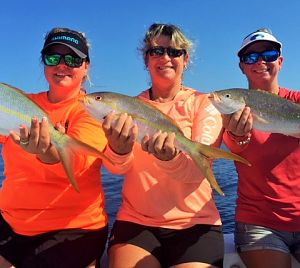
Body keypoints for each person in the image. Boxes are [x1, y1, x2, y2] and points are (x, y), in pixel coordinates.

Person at [102, 23, 224, 268]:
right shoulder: (128, 106)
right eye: (156, 52)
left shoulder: (204, 104)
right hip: (136, 222)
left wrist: (170, 158)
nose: (165, 58)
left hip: (196, 222)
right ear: (146, 59)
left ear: (185, 59)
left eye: (174, 52)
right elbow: (116, 168)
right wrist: (118, 149)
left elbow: (195, 170)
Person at [0, 27, 109, 268]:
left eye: (72, 59)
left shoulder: (92, 110)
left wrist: (48, 154)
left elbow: (80, 163)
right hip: (10, 225)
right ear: (44, 63)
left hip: (72, 230)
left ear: (86, 66)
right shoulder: (24, 103)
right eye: (53, 58)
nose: (62, 65)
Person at [222, 28, 300, 268]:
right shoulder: (232, 114)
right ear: (242, 66)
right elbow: (236, 146)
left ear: (281, 60)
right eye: (251, 57)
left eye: (268, 53)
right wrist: (238, 134)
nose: (261, 62)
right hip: (258, 223)